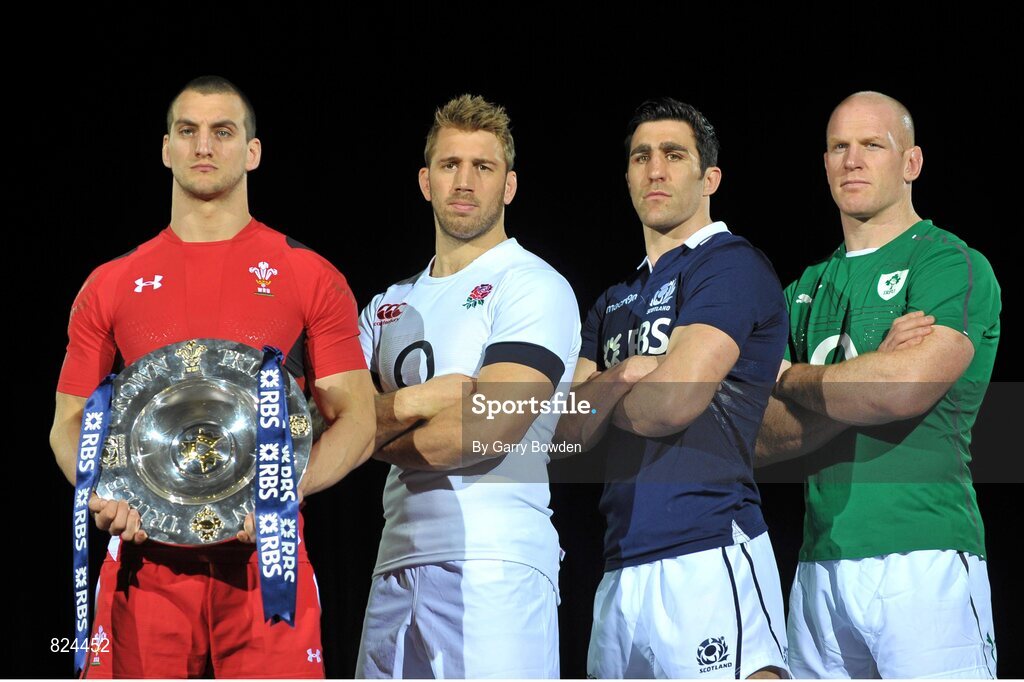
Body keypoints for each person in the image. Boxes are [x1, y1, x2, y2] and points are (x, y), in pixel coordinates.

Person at [50, 75, 376, 678]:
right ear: (166, 149)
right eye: (188, 131)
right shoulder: (110, 282)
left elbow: (358, 416)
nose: (204, 146)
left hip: (264, 565)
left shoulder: (307, 274)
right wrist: (101, 493)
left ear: (252, 151)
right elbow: (66, 422)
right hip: (144, 567)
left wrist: (289, 490)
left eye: (223, 132)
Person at [756, 91, 1001, 678]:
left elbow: (903, 389)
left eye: (872, 145)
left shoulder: (948, 263)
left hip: (926, 554)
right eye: (839, 147)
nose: (852, 160)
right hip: (819, 567)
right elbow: (758, 440)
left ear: (910, 163)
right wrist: (860, 380)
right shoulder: (800, 291)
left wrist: (795, 379)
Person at [553, 98, 790, 679]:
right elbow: (562, 435)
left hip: (710, 549)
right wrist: (631, 371)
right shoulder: (611, 300)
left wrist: (603, 398)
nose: (654, 169)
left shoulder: (730, 266)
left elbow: (673, 402)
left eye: (673, 154)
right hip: (619, 565)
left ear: (709, 177)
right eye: (641, 156)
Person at [354, 94, 579, 679]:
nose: (465, 181)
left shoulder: (532, 285)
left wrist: (366, 431)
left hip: (496, 562)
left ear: (509, 185)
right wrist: (418, 400)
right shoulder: (387, 305)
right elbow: (323, 421)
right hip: (393, 563)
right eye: (451, 165)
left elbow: (485, 430)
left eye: (483, 167)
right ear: (425, 181)